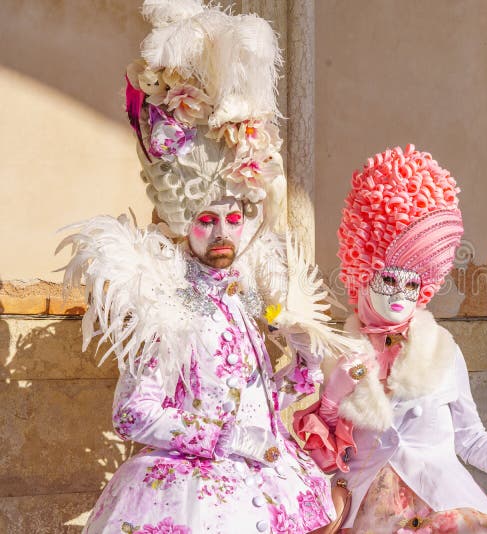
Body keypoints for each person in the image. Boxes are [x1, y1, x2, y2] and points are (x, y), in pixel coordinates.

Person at [60, 2, 355, 532]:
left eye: (235, 218)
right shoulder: (167, 301)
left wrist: (306, 364)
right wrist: (224, 437)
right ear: (182, 221)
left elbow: (262, 406)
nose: (223, 234)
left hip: (264, 486)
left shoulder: (245, 300)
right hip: (195, 497)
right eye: (206, 220)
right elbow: (132, 412)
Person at [293, 145, 487, 533]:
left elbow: (470, 438)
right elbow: (314, 454)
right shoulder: (331, 349)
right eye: (388, 278)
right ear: (364, 270)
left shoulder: (441, 348)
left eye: (412, 283)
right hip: (364, 514)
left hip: (443, 504)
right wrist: (330, 399)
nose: (399, 294)